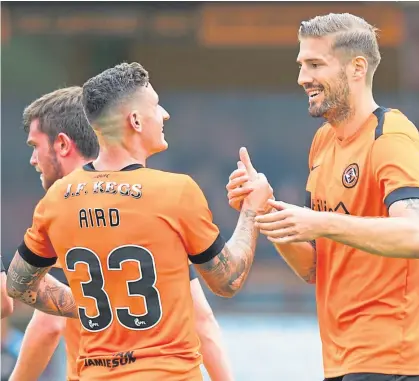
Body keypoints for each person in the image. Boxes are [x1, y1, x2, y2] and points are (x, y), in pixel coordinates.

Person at [7, 62, 272, 380]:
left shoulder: (56, 199)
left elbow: (18, 285)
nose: (164, 114)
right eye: (157, 106)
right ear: (135, 120)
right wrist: (251, 210)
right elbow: (227, 280)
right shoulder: (176, 191)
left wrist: (88, 306)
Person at [226, 13, 419, 381]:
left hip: (395, 358)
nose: (302, 77)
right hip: (343, 358)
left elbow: (418, 236)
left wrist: (320, 222)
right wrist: (264, 209)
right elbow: (313, 267)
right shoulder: (323, 142)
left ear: (357, 68)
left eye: (314, 64)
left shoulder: (391, 140)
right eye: (301, 65)